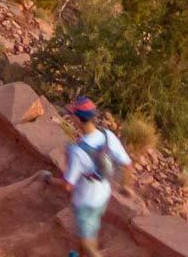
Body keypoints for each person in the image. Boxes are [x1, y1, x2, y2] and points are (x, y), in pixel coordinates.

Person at [54, 96, 132, 257]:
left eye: (72, 115)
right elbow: (127, 164)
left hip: (85, 200)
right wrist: (126, 186)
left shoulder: (78, 151)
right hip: (103, 194)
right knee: (90, 232)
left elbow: (68, 185)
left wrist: (48, 179)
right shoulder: (107, 136)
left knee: (87, 243)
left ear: (77, 118)